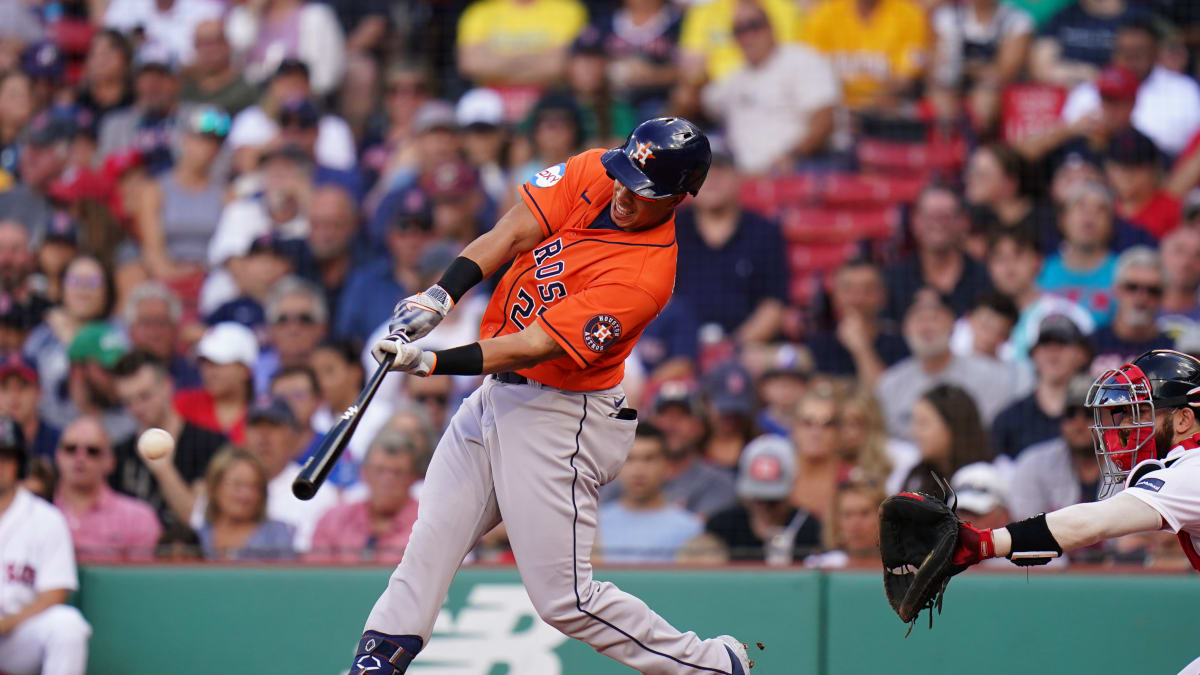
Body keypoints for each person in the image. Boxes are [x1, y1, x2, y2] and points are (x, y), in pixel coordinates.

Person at [351, 118, 757, 674]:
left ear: (680, 197)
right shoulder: (597, 169)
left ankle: (710, 665)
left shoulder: (645, 275)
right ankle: (374, 665)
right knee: (431, 543)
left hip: (562, 417)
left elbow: (534, 345)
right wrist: (441, 294)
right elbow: (513, 232)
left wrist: (432, 361)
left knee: (564, 599)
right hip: (499, 396)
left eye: (643, 191)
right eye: (622, 175)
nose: (622, 193)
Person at [938, 350, 1200, 648]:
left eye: (1141, 412)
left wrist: (986, 543)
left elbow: (1093, 523)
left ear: (1184, 419)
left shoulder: (1190, 471)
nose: (1127, 425)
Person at [701, 0, 838, 173]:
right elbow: (699, 103)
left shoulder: (802, 59)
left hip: (801, 167)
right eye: (739, 30)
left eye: (754, 25)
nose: (748, 36)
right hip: (746, 178)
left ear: (771, 28)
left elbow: (824, 120)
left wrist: (792, 157)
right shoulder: (735, 78)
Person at [0, 417, 92, 675]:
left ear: (19, 464)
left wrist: (7, 623)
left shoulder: (45, 517)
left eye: (5, 457)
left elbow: (55, 593)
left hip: (17, 635)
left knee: (68, 625)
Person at [672, 150, 788, 343]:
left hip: (747, 349)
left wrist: (734, 348)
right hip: (678, 349)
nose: (711, 180)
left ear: (737, 177)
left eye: (720, 171)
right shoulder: (670, 229)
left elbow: (773, 305)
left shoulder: (764, 231)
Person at [877, 288, 1016, 438]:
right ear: (905, 327)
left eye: (935, 318)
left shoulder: (990, 376)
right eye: (918, 319)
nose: (926, 327)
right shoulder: (889, 384)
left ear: (952, 323)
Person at [111, 351, 228, 527]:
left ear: (167, 386)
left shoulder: (210, 444)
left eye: (144, 396)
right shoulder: (119, 454)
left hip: (189, 552)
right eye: (128, 401)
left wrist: (163, 469)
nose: (137, 408)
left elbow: (197, 521)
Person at [1060, 17, 1200, 158]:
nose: (1130, 58)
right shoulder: (1089, 90)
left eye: (1139, 51)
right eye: (1124, 51)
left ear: (1156, 52)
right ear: (1114, 53)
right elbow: (1070, 142)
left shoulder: (1184, 90)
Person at [130, 106, 230, 282]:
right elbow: (153, 251)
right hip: (166, 275)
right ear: (185, 140)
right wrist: (176, 275)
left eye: (215, 143)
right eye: (202, 140)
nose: (208, 149)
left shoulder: (227, 195)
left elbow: (228, 250)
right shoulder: (155, 190)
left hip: (212, 276)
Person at [53, 416, 161, 562]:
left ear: (110, 461)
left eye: (92, 451)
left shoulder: (137, 517)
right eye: (71, 449)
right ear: (58, 455)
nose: (80, 457)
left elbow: (141, 581)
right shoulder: (35, 512)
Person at [701, 434, 822, 564]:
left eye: (773, 501)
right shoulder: (722, 527)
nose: (764, 507)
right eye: (758, 499)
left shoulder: (810, 528)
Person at [308, 429, 424, 564]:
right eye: (380, 470)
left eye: (397, 473)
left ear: (413, 477)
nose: (387, 480)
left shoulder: (425, 524)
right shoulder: (334, 520)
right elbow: (316, 575)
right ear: (364, 473)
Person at [239, 397, 339, 551]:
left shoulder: (316, 491)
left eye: (274, 426)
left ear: (293, 436)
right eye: (256, 426)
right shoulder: (223, 486)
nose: (263, 436)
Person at [882, 185, 993, 323]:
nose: (937, 225)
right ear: (915, 222)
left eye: (945, 216)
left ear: (962, 222)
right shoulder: (892, 282)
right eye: (930, 216)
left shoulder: (987, 279)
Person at [597, 422, 703, 563]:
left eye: (649, 458)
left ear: (666, 465)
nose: (639, 470)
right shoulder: (594, 524)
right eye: (630, 459)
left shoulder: (690, 528)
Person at [990, 314, 1092, 459]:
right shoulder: (1008, 419)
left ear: (1082, 355)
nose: (1052, 352)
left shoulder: (1098, 416)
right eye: (1045, 344)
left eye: (1062, 343)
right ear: (1034, 354)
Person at [799, 0, 929, 111]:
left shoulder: (909, 14)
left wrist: (872, 103)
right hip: (835, 109)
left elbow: (906, 77)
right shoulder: (824, 14)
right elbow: (810, 72)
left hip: (887, 110)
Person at [1009, 374, 1101, 520]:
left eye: (1090, 413)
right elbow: (1026, 531)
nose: (1079, 424)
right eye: (1070, 414)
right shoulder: (1033, 464)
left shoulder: (1133, 463)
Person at [807, 260, 910, 384]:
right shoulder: (816, 346)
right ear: (835, 296)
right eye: (848, 289)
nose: (858, 299)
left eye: (868, 290)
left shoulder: (901, 345)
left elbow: (888, 398)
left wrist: (862, 349)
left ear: (883, 296)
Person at [1038, 180, 1119, 326]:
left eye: (1100, 210)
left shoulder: (1124, 273)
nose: (1089, 216)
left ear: (1111, 224)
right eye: (1080, 206)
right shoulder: (1040, 270)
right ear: (1062, 220)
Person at [197, 447, 295, 560]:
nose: (245, 495)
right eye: (237, 485)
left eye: (254, 486)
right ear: (215, 486)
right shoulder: (199, 536)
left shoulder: (276, 534)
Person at [1089, 246, 1173, 373]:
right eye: (1132, 287)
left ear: (1163, 296)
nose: (1142, 297)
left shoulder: (1172, 352)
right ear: (1116, 289)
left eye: (1152, 290)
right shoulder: (1091, 344)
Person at [898, 383, 994, 495]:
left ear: (954, 426)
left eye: (923, 423)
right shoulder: (916, 478)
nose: (914, 432)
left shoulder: (991, 474)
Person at [175, 322, 257, 444]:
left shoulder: (263, 416)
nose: (209, 372)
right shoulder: (183, 404)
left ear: (245, 370)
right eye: (205, 363)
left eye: (218, 363)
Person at [256, 276, 330, 395]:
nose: (293, 329)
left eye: (305, 319)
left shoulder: (334, 379)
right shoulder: (254, 377)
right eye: (282, 320)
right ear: (270, 329)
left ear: (322, 329)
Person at [121, 281, 201, 389]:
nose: (155, 332)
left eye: (162, 322)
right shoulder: (118, 378)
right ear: (130, 331)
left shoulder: (194, 376)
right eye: (146, 323)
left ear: (175, 330)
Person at [181, 19, 259, 115]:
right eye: (201, 44)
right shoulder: (186, 87)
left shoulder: (246, 88)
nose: (207, 50)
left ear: (228, 45)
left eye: (212, 42)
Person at [789, 388, 844, 523]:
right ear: (794, 429)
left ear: (838, 432)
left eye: (827, 425)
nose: (816, 433)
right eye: (807, 423)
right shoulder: (777, 474)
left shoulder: (852, 479)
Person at [803, 481, 886, 569]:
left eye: (865, 513)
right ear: (837, 522)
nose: (855, 523)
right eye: (847, 515)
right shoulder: (819, 566)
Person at [0, 352, 58, 460]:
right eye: (5, 387)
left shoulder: (60, 442)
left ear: (39, 392)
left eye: (22, 387)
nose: (14, 396)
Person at [1159, 226, 1200, 339]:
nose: (1186, 262)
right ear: (1160, 255)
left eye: (1198, 255)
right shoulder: (1134, 306)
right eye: (1179, 250)